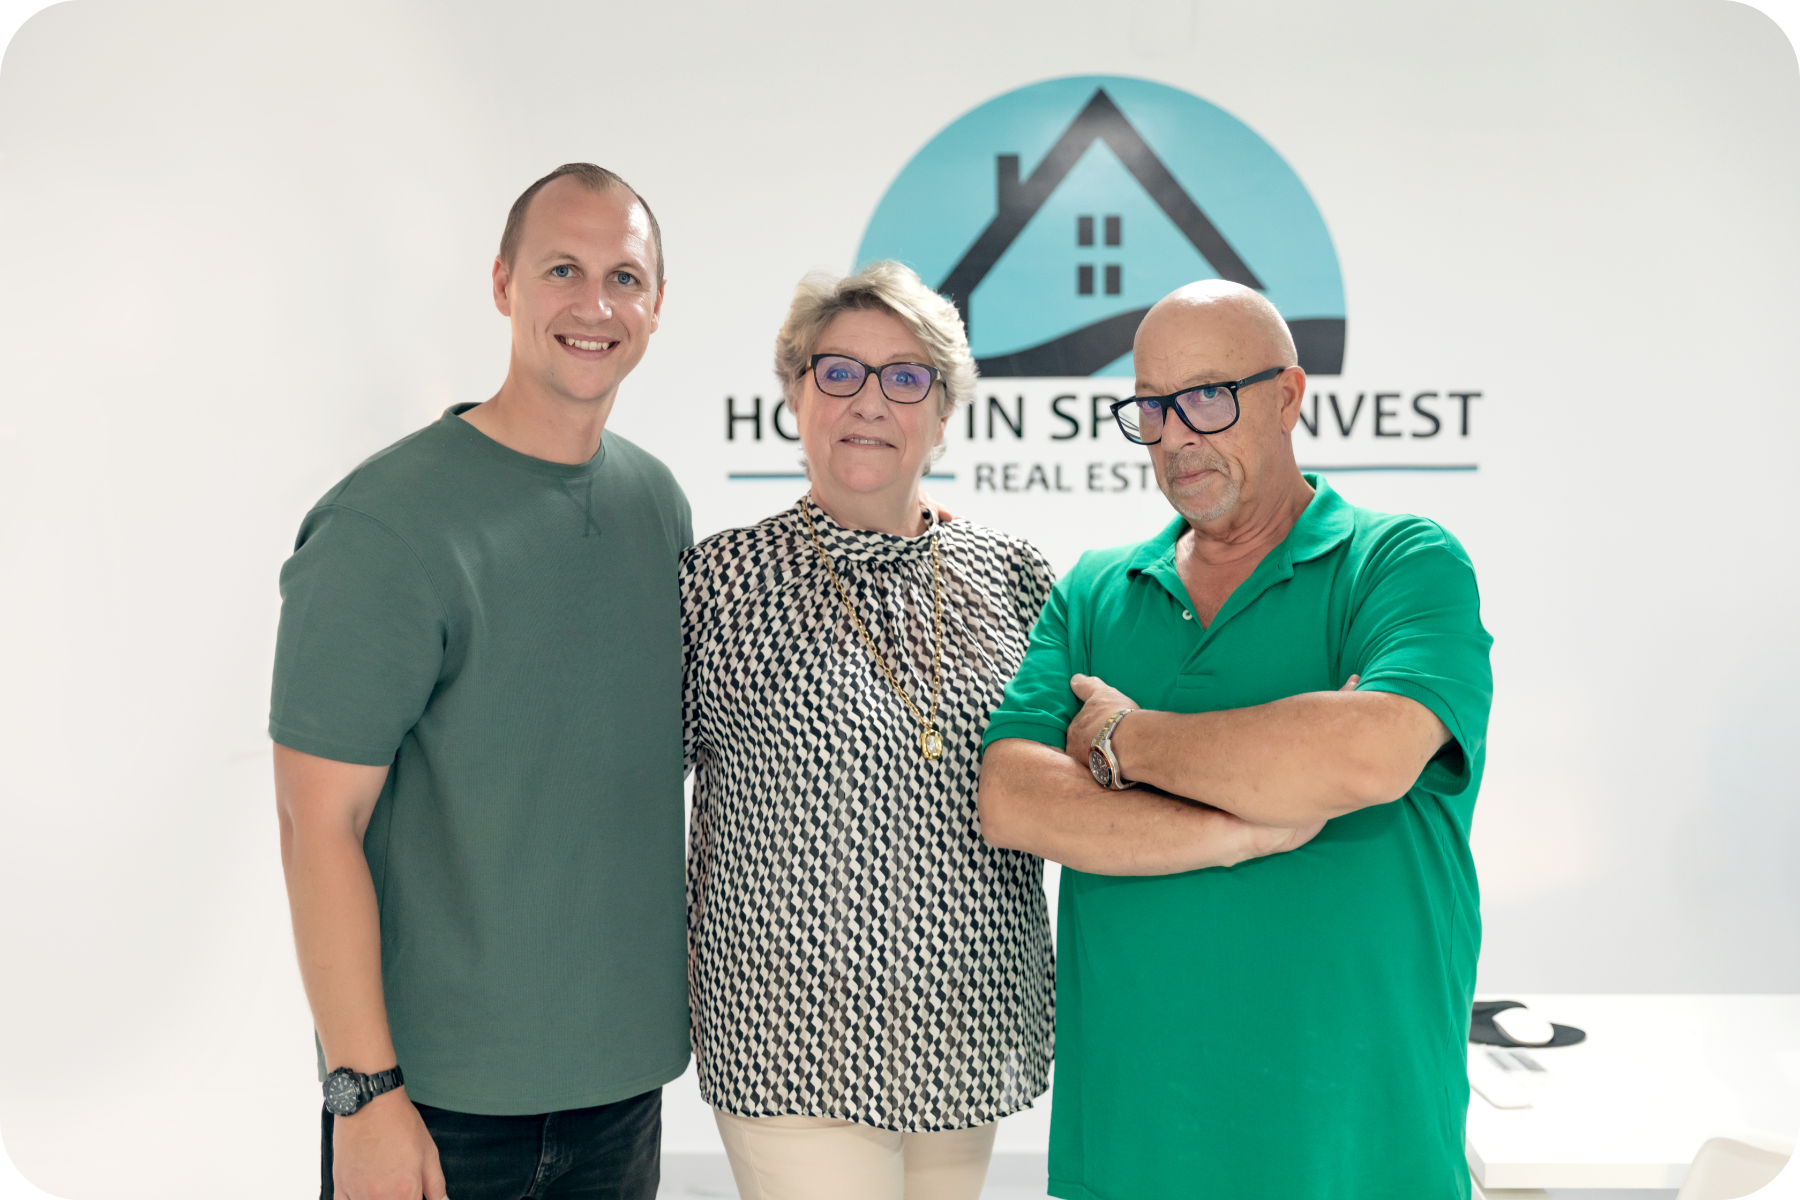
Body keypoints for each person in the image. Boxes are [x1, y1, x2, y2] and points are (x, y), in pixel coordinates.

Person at [682, 262, 1219, 1200]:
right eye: (838, 372)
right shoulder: (716, 585)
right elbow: (617, 798)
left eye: (905, 377)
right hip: (790, 1042)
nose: (869, 401)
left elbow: (1084, 761)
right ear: (795, 397)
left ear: (942, 414)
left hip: (966, 1033)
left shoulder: (1012, 572)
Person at [979, 280, 1494, 1198]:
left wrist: (1124, 742)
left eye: (1209, 397)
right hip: (1136, 1151)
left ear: (1289, 396)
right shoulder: (1094, 590)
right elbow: (1013, 798)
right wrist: (1245, 827)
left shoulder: (1402, 562)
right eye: (1152, 407)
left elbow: (1367, 755)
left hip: (1359, 1150)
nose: (1176, 435)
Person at [271, 163, 688, 1200]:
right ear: (503, 283)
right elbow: (315, 822)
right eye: (561, 270)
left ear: (656, 305)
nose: (595, 305)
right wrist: (363, 1094)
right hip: (435, 1107)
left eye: (624, 277)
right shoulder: (386, 525)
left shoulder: (656, 504)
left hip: (621, 1089)